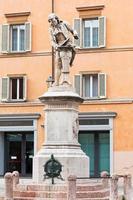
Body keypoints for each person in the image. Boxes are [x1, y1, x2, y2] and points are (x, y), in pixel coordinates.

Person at [48, 13, 78, 86]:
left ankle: (66, 80)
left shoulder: (64, 24)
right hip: (59, 47)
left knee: (66, 62)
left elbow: (73, 30)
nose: (52, 22)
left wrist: (75, 33)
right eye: (50, 21)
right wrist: (55, 46)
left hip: (67, 44)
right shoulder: (51, 29)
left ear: (56, 18)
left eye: (52, 20)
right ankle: (57, 82)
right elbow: (52, 40)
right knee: (58, 65)